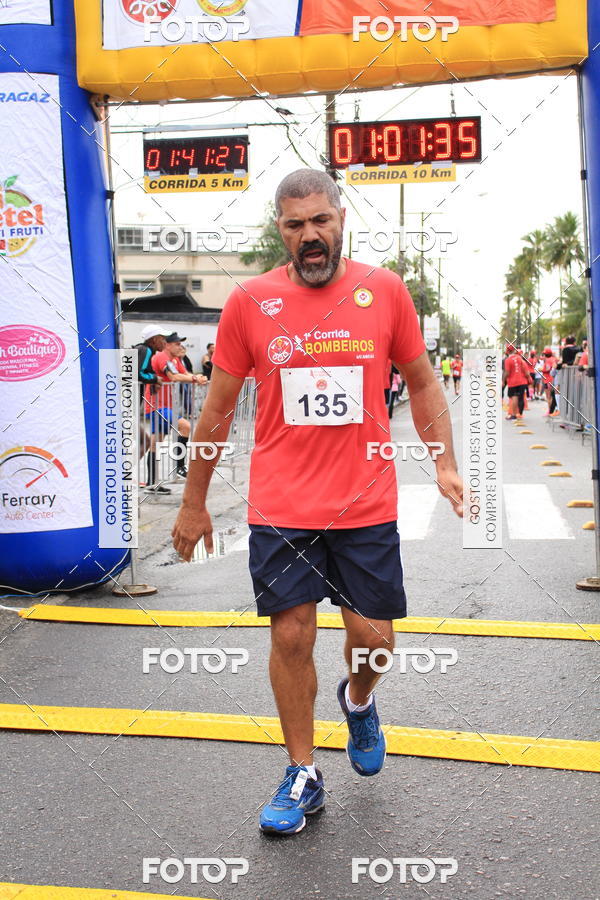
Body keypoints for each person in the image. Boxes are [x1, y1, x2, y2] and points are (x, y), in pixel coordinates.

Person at [172, 168, 464, 836]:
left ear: (341, 220)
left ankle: (358, 702)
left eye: (320, 221)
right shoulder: (250, 301)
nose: (310, 235)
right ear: (280, 230)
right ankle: (302, 771)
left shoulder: (383, 290)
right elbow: (216, 410)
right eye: (295, 224)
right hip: (282, 504)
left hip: (364, 501)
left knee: (374, 639)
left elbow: (422, 383)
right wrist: (193, 502)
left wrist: (444, 461)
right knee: (291, 633)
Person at [145, 333, 207, 481]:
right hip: (156, 406)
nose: (180, 347)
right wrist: (195, 378)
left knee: (155, 444)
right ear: (167, 345)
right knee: (185, 426)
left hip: (163, 405)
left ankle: (151, 483)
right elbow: (174, 376)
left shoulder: (175, 359)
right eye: (177, 344)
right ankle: (180, 467)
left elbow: (185, 373)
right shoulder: (162, 357)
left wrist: (198, 377)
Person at [134, 324, 171, 495]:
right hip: (126, 408)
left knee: (146, 442)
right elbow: (138, 373)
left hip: (128, 407)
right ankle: (121, 475)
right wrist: (155, 378)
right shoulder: (146, 350)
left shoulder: (142, 350)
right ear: (154, 340)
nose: (165, 343)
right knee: (145, 442)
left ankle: (122, 475)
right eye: (163, 339)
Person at [503, 344, 531, 420]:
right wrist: (529, 379)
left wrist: (503, 380)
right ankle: (519, 414)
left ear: (507, 351)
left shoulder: (508, 360)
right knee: (521, 398)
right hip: (522, 382)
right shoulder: (520, 359)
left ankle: (514, 415)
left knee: (514, 397)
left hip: (513, 382)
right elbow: (526, 372)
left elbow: (507, 372)